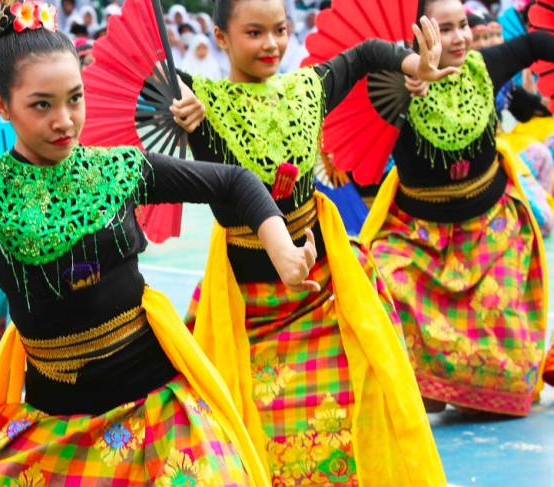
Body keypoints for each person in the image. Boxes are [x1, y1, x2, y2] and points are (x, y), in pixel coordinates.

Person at [0, 1, 327, 484]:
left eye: (75, 98)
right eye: (41, 105)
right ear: (1, 107)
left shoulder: (119, 168)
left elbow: (233, 183)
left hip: (159, 418)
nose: (65, 121)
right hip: (55, 434)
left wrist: (280, 247)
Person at [149, 0, 448, 483]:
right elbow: (145, 69)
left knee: (356, 399)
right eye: (254, 32)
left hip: (323, 289)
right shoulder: (197, 100)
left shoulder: (308, 88)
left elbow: (370, 53)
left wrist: (417, 64)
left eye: (280, 30)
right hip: (248, 306)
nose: (271, 44)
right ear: (221, 38)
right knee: (247, 427)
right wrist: (179, 100)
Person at [360, 0, 554, 417]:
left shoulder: (486, 65)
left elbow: (537, 41)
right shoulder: (388, 84)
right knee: (383, 285)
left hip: (492, 228)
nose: (460, 37)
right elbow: (353, 81)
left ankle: (482, 390)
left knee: (496, 392)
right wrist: (398, 87)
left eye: (463, 25)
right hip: (417, 236)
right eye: (443, 29)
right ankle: (428, 385)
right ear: (415, 37)